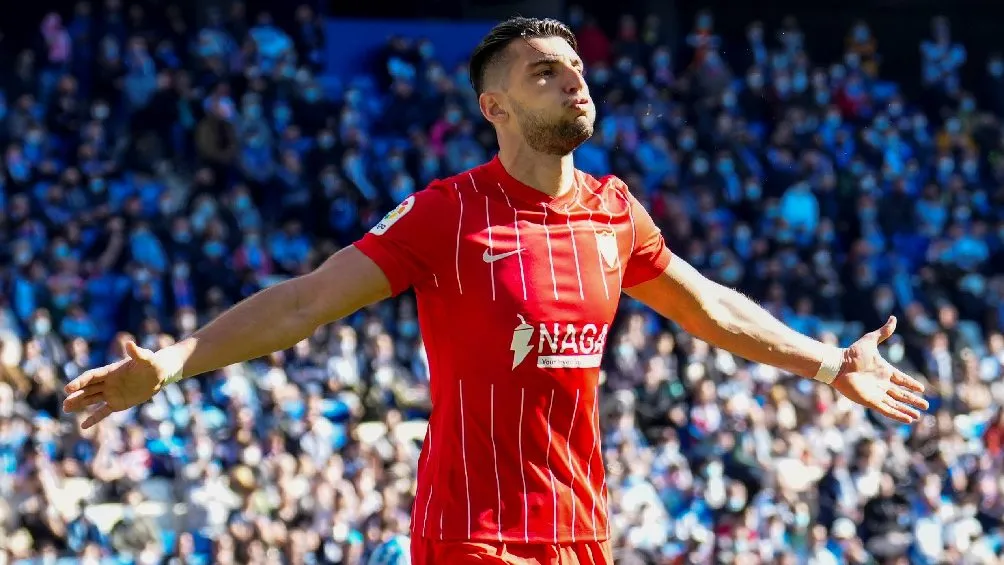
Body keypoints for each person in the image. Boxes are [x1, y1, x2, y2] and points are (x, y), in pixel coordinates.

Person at [63, 16, 929, 565]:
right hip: (473, 532)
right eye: (545, 72)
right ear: (495, 107)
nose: (574, 80)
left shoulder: (614, 211)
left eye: (576, 68)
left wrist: (825, 362)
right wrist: (172, 364)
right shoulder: (449, 212)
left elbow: (707, 305)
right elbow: (304, 300)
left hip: (582, 530)